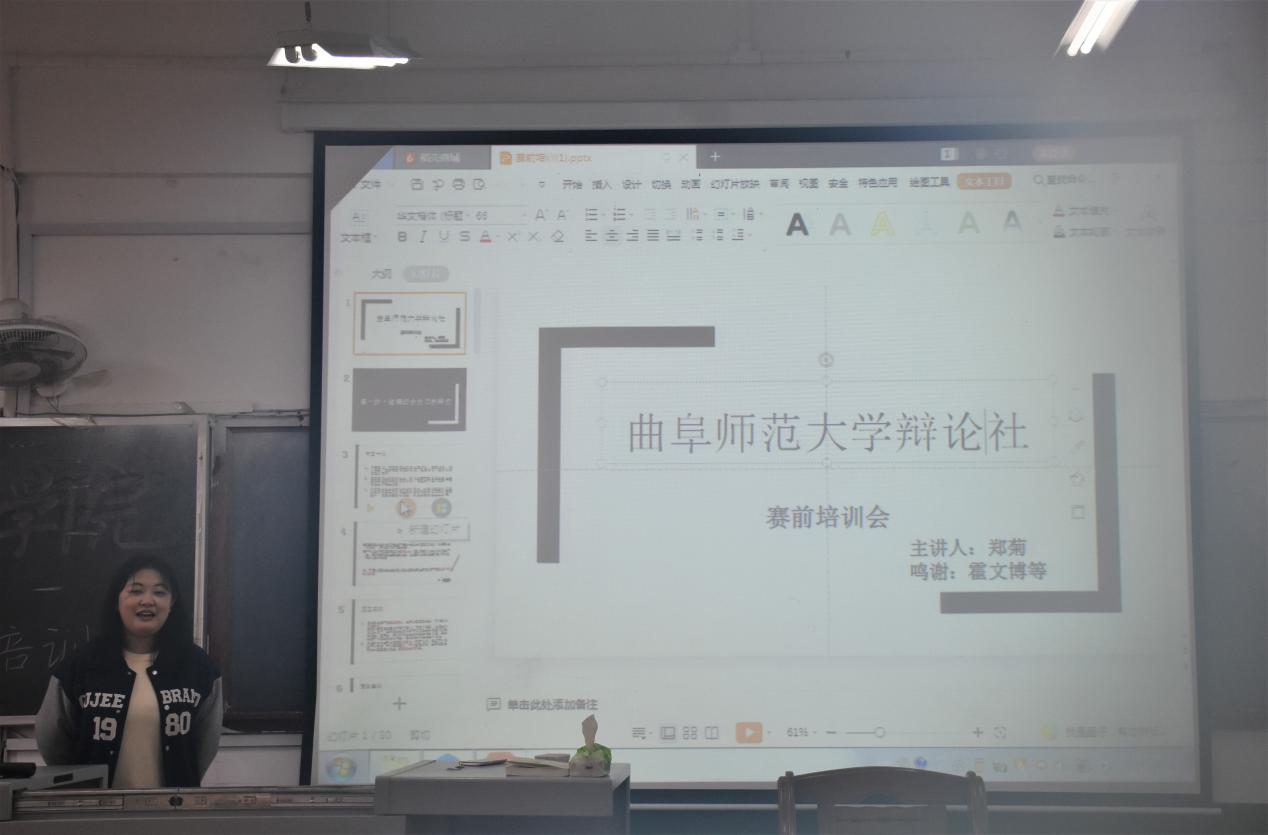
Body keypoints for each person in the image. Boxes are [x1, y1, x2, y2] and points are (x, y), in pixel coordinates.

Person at [35, 555, 222, 788]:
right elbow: (52, 739)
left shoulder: (198, 667)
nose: (148, 601)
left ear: (172, 602)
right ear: (117, 600)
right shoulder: (81, 665)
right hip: (93, 807)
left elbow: (205, 744)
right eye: (136, 591)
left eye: (160, 592)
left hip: (172, 806)